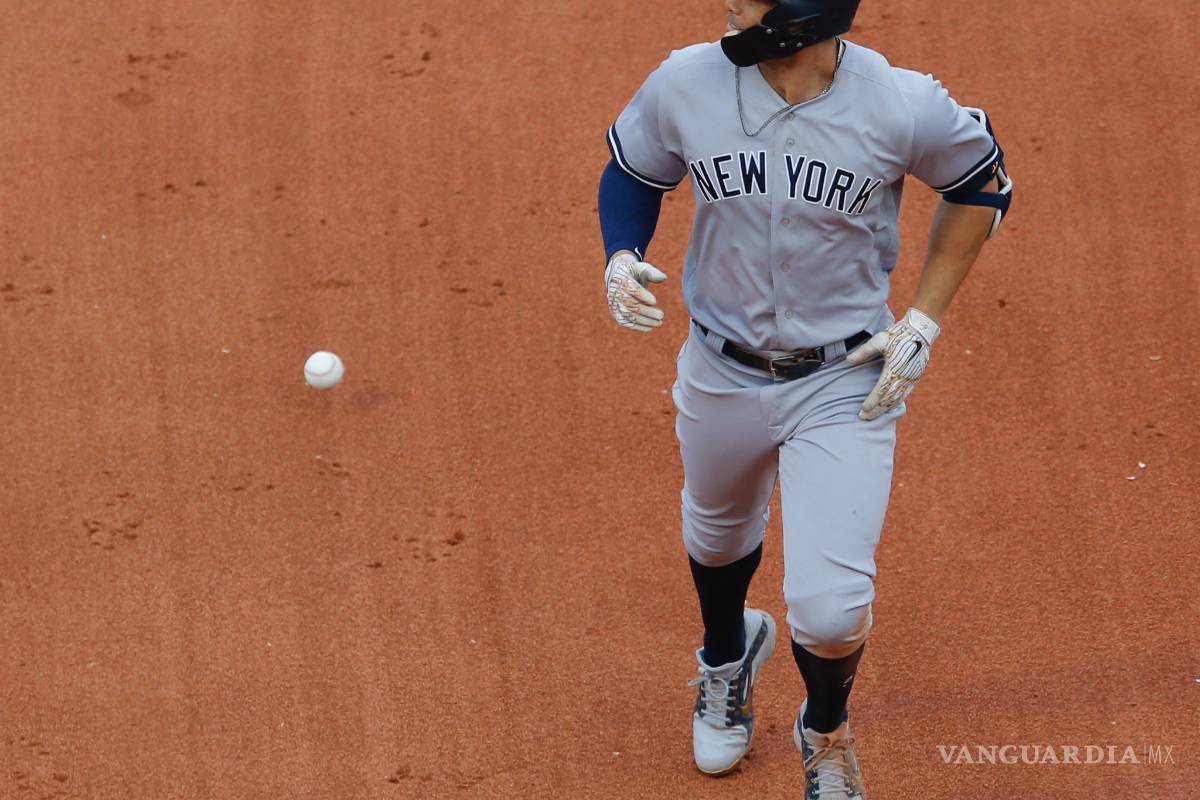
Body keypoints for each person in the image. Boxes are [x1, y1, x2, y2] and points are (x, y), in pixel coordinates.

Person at [597, 1, 1013, 796]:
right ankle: (727, 656)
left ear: (798, 15)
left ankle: (825, 729)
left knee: (830, 608)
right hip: (720, 365)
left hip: (843, 376)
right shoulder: (687, 81)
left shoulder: (898, 103)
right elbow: (634, 171)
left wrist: (924, 319)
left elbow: (980, 184)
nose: (730, 5)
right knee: (716, 536)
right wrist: (621, 254)